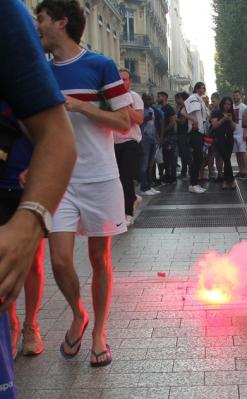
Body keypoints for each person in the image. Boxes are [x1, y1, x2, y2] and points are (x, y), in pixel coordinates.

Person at [36, 0, 133, 368]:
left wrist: (79, 106)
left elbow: (124, 122)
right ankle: (79, 313)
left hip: (100, 177)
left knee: (99, 258)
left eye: (40, 19)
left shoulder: (101, 65)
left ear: (61, 22)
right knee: (59, 261)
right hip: (59, 179)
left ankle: (98, 333)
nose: (36, 27)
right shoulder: (40, 71)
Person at [0, 3, 76, 384]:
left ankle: (28, 324)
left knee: (30, 261)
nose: (39, 24)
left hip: (19, 185)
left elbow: (53, 134)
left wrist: (31, 217)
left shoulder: (7, 16)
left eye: (43, 19)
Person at [114, 69, 143, 226]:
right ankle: (132, 199)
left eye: (125, 79)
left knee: (126, 178)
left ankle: (128, 214)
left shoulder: (134, 97)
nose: (122, 82)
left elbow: (139, 119)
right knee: (116, 180)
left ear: (130, 81)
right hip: (112, 143)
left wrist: (124, 104)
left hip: (130, 142)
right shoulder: (109, 98)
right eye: (118, 80)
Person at [210, 97, 237, 190]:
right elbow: (214, 126)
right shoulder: (216, 112)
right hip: (220, 138)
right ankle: (230, 180)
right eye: (225, 104)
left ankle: (226, 181)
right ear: (222, 104)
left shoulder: (232, 113)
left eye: (229, 104)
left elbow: (234, 128)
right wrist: (223, 119)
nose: (227, 106)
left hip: (229, 139)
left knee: (227, 159)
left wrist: (230, 120)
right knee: (225, 158)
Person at [140, 93, 159, 196]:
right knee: (144, 164)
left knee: (150, 165)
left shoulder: (152, 110)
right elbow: (137, 124)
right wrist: (145, 119)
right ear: (142, 100)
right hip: (144, 139)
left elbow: (153, 126)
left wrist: (157, 137)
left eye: (150, 99)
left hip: (152, 139)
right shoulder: (140, 110)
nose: (148, 101)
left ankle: (149, 186)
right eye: (146, 99)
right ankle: (144, 187)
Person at [156, 91, 177, 184]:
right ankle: (167, 176)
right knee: (165, 157)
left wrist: (164, 130)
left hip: (169, 137)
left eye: (159, 96)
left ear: (164, 97)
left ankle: (172, 177)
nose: (157, 98)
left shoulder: (169, 108)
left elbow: (172, 122)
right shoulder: (159, 108)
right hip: (162, 137)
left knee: (171, 157)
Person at [232, 90, 247, 179]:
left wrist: (245, 132)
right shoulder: (232, 107)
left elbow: (246, 121)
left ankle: (246, 171)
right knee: (237, 153)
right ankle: (241, 170)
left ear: (240, 96)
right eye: (234, 96)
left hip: (241, 132)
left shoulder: (244, 107)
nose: (235, 97)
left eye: (237, 95)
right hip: (234, 132)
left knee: (242, 152)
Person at [175, 92, 191, 180]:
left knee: (186, 154)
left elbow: (182, 121)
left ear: (181, 98)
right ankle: (184, 172)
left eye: (177, 98)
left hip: (184, 134)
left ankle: (191, 172)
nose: (176, 100)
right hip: (181, 134)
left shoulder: (185, 108)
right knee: (183, 154)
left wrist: (174, 118)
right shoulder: (182, 107)